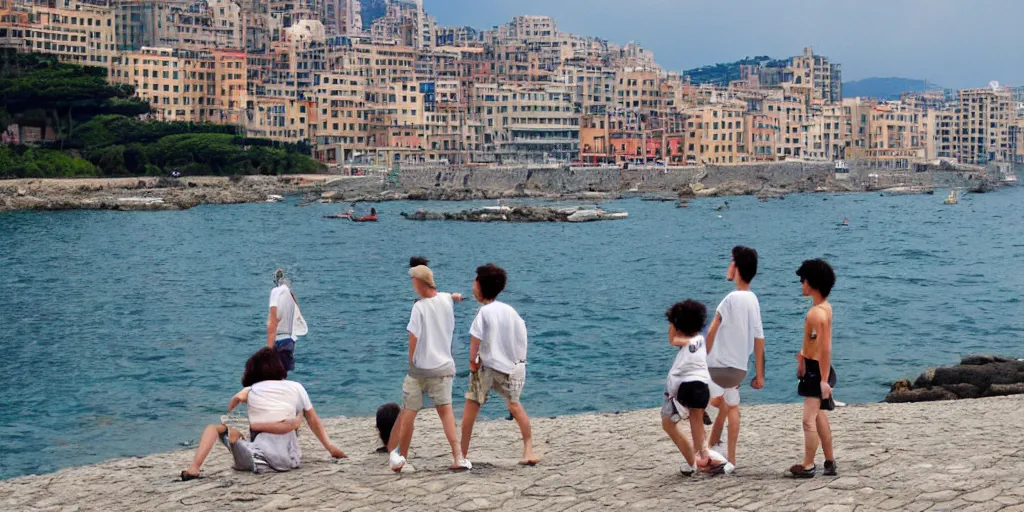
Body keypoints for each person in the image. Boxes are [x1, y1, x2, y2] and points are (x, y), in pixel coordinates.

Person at [180, 348, 345, 480]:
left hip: (257, 459)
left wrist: (244, 397)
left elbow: (231, 405)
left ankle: (194, 468)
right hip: (289, 460)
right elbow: (314, 421)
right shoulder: (296, 387)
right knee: (295, 414)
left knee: (215, 428)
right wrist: (331, 448)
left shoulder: (252, 389)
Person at [387, 265, 470, 471]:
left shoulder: (419, 307)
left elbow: (413, 336)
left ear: (419, 283)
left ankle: (402, 457)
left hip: (419, 369)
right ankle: (458, 456)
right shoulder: (445, 300)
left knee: (409, 412)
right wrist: (456, 296)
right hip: (443, 367)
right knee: (446, 412)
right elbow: (448, 296)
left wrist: (411, 361)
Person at [460, 264, 539, 466]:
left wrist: (472, 364)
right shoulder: (510, 311)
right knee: (515, 405)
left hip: (486, 367)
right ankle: (528, 449)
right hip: (511, 368)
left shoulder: (483, 313)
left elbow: (475, 342)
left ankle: (462, 454)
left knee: (471, 409)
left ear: (478, 285)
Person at [698, 246, 765, 469]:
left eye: (731, 262)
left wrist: (700, 358)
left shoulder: (728, 300)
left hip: (716, 368)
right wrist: (759, 374)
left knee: (701, 399)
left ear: (737, 268)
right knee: (731, 406)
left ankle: (704, 454)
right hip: (738, 370)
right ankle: (731, 459)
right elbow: (759, 339)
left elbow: (712, 330)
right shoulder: (753, 300)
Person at [661, 300, 732, 476]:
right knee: (697, 425)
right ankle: (705, 457)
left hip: (686, 390)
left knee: (668, 422)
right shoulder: (700, 341)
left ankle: (697, 462)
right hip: (702, 389)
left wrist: (672, 323)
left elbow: (673, 340)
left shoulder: (689, 343)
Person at [788, 259, 838, 478]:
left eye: (803, 280)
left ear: (812, 283)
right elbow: (815, 343)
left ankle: (808, 465)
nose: (801, 284)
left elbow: (824, 349)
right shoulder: (825, 308)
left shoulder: (815, 314)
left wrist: (823, 380)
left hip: (816, 371)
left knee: (808, 420)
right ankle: (829, 461)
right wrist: (802, 356)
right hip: (814, 367)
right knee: (818, 416)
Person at [267, 269, 306, 372]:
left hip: (280, 339)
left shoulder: (275, 300)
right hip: (286, 340)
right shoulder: (288, 305)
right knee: (283, 371)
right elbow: (296, 310)